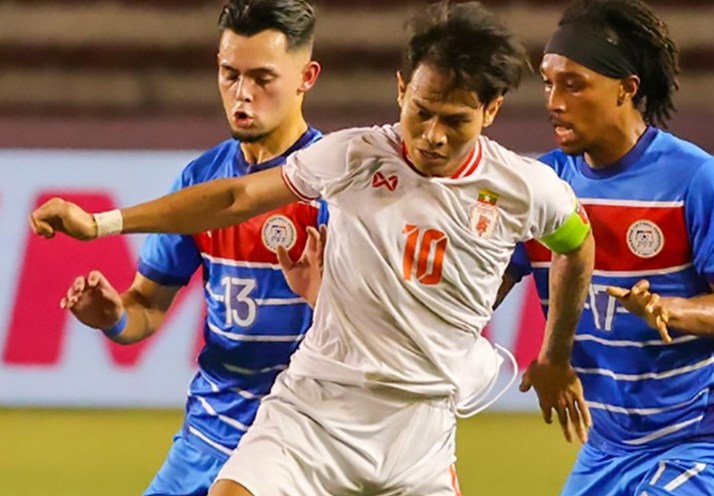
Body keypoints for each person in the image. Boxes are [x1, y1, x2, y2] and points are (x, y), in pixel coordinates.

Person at [31, 2, 595, 495]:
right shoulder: (354, 158)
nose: (432, 135)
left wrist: (555, 354)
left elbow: (578, 244)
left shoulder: (526, 189)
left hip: (419, 429)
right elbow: (235, 197)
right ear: (401, 89)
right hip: (315, 407)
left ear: (491, 112)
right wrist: (100, 224)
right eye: (421, 111)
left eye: (456, 121)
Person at [56, 1, 324, 494]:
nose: (242, 93)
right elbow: (147, 307)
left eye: (262, 78)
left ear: (306, 77)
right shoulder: (200, 179)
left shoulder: (332, 184)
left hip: (303, 439)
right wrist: (112, 315)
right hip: (209, 435)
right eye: (230, 74)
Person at [503, 0, 714, 494]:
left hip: (702, 437)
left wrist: (671, 309)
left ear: (626, 89)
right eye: (548, 83)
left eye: (573, 84)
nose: (554, 101)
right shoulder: (541, 186)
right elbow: (481, 288)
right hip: (607, 447)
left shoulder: (696, 179)